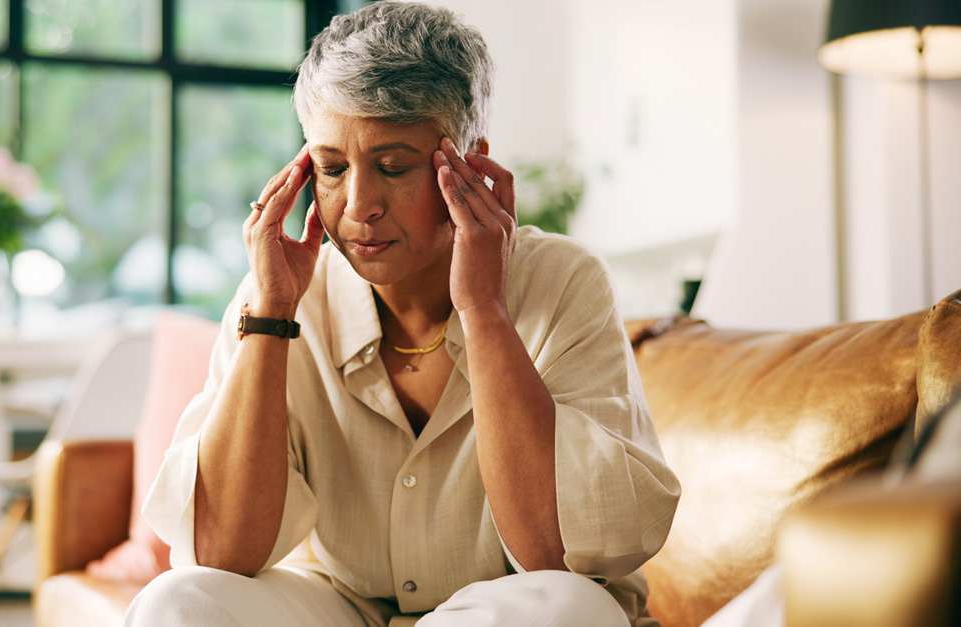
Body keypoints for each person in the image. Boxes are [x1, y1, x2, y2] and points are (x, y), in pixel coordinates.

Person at [123, 3, 680, 626]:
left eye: (393, 167)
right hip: (339, 605)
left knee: (569, 608)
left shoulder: (563, 282)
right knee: (176, 602)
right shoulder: (278, 295)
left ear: (470, 164)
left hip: (505, 609)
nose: (359, 206)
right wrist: (272, 314)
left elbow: (551, 552)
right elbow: (221, 551)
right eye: (331, 168)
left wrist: (485, 310)